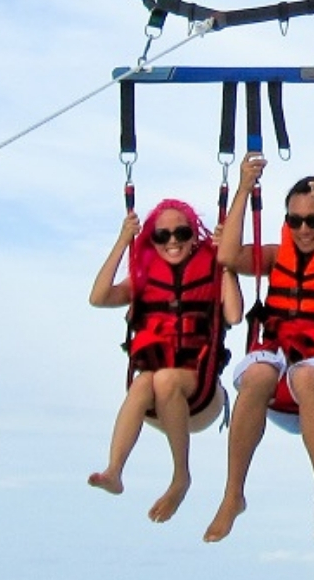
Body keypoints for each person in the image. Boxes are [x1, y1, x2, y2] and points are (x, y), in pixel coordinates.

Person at [204, 156, 314, 547]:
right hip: (280, 392)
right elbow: (228, 257)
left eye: (313, 221)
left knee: (305, 374)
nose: (302, 230)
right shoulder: (277, 256)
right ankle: (234, 493)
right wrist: (245, 187)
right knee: (257, 374)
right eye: (294, 220)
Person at [86, 198, 243, 523]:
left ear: (193, 235)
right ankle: (114, 470)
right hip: (157, 406)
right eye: (162, 236)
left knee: (163, 378)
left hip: (203, 400)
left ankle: (180, 476)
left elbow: (234, 314)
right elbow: (98, 298)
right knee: (146, 380)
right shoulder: (145, 281)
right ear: (152, 241)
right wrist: (122, 241)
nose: (172, 241)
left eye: (181, 232)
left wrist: (226, 261)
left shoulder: (212, 270)